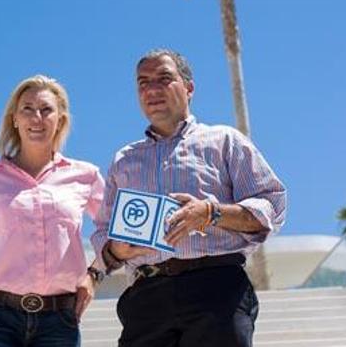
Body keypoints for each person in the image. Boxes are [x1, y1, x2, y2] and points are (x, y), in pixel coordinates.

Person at [92, 49, 287, 347]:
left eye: (164, 78)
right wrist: (116, 250)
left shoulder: (224, 140)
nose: (152, 89)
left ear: (189, 88)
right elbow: (103, 231)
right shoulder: (124, 160)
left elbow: (271, 203)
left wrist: (211, 212)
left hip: (217, 288)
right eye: (143, 82)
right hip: (146, 296)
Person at [0, 75, 106, 347]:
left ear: (61, 119)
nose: (36, 117)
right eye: (27, 109)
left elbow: (114, 228)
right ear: (14, 119)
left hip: (59, 319)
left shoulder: (85, 176)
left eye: (46, 109)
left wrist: (94, 274)